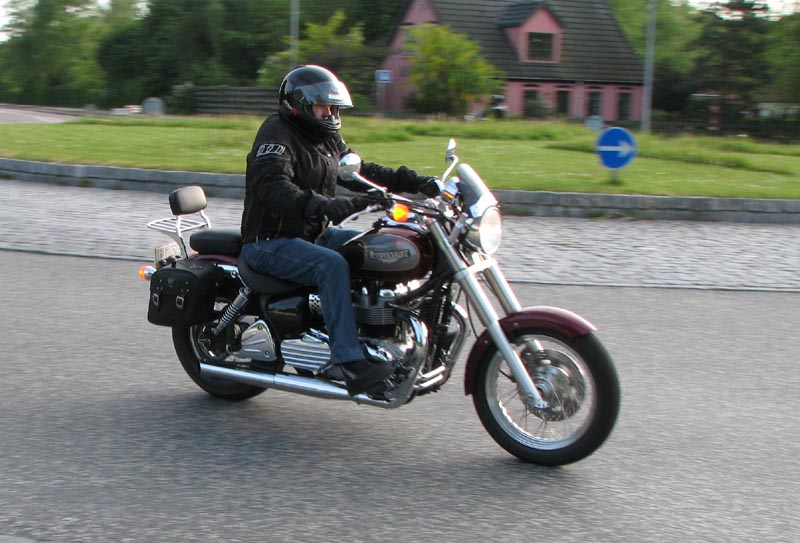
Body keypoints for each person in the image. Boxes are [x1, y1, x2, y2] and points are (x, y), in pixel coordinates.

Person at [240, 65, 440, 396]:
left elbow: (358, 171)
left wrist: (414, 182)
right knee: (330, 265)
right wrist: (324, 206)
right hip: (269, 240)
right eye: (323, 107)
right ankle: (349, 361)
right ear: (299, 105)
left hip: (314, 234)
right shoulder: (276, 133)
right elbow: (273, 188)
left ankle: (384, 335)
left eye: (334, 108)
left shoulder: (326, 137)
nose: (330, 114)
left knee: (378, 244)